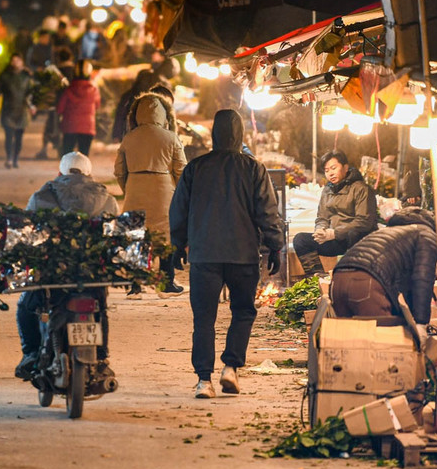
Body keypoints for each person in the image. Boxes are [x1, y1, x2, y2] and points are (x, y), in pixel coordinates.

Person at [170, 109, 284, 399]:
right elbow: (267, 211)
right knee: (243, 311)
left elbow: (178, 212)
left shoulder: (196, 167)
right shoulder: (253, 168)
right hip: (243, 254)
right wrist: (276, 245)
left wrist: (176, 245)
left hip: (204, 255)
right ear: (241, 135)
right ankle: (231, 367)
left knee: (204, 318)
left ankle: (203, 381)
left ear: (214, 135)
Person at [15, 151, 120, 379]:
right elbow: (116, 240)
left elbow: (26, 235)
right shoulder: (108, 199)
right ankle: (102, 358)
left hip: (52, 273)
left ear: (60, 172)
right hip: (92, 273)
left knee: (26, 307)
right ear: (89, 173)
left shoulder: (41, 196)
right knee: (100, 308)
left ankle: (31, 354)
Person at [329, 207, 437, 339]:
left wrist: (414, 319)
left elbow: (409, 287)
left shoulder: (394, 232)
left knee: (350, 345)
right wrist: (421, 324)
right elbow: (422, 281)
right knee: (385, 345)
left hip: (338, 281)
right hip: (366, 284)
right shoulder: (426, 235)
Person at [115, 92, 186, 295]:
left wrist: (128, 188)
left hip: (135, 187)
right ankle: (165, 284)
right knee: (164, 236)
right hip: (164, 190)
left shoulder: (129, 138)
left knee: (136, 235)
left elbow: (119, 170)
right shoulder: (171, 137)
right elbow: (182, 170)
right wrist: (179, 192)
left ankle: (135, 286)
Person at [291, 150, 378, 275]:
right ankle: (316, 279)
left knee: (354, 233)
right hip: (335, 239)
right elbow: (322, 216)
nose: (330, 173)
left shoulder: (361, 189)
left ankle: (350, 276)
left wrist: (335, 233)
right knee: (300, 240)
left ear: (345, 167)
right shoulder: (327, 190)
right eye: (326, 170)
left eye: (333, 168)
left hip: (356, 239)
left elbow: (364, 222)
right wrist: (321, 230)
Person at [0, 51, 35, 169]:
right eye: (13, 60)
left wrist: (33, 106)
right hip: (8, 110)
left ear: (22, 62)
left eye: (18, 60)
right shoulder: (5, 76)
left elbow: (32, 93)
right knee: (9, 136)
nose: (15, 63)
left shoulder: (27, 76)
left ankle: (16, 157)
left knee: (19, 138)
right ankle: (9, 158)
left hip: (22, 111)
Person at [32, 47, 74, 160]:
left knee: (50, 127)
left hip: (56, 104)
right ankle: (63, 152)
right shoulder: (75, 71)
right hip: (71, 105)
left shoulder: (55, 71)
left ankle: (44, 150)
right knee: (67, 128)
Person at [56, 59, 100, 155]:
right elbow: (97, 106)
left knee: (67, 157)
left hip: (70, 126)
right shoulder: (94, 90)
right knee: (84, 158)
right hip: (87, 127)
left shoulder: (68, 90)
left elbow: (60, 108)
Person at [112, 68, 163, 142]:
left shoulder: (128, 95)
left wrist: (116, 135)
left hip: (130, 134)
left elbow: (120, 115)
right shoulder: (155, 97)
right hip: (150, 136)